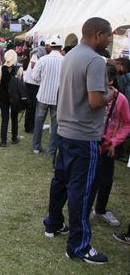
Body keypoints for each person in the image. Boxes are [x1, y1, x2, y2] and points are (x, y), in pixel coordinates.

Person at [44, 17, 116, 265]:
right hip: (84, 136)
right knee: (82, 191)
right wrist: (111, 94)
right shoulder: (95, 60)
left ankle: (53, 223)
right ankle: (78, 246)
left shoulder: (71, 55)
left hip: (64, 131)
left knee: (61, 180)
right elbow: (96, 101)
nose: (110, 39)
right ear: (97, 34)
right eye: (108, 35)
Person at [90, 64, 130, 227]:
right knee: (88, 179)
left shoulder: (120, 99)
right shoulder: (92, 94)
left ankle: (100, 210)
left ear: (111, 80)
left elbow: (127, 124)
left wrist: (115, 141)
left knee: (105, 180)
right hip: (88, 142)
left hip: (107, 145)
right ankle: (84, 210)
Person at [30, 36, 64, 156]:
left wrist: (42, 81)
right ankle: (51, 150)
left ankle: (36, 147)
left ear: (50, 47)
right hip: (58, 97)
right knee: (55, 124)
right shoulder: (65, 61)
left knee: (39, 121)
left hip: (43, 95)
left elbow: (34, 76)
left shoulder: (43, 59)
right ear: (61, 47)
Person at [0, 49, 23, 147]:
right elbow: (20, 82)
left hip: (3, 97)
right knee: (14, 118)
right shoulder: (19, 69)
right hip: (15, 97)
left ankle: (3, 141)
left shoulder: (0, 68)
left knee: (4, 119)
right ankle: (14, 138)